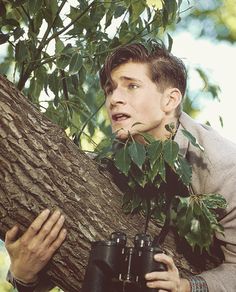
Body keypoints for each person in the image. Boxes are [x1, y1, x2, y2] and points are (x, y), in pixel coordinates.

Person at [5, 41, 236, 292]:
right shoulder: (102, 165)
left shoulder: (222, 167)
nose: (114, 99)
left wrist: (188, 287)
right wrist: (22, 276)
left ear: (170, 100)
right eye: (110, 89)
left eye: (132, 86)